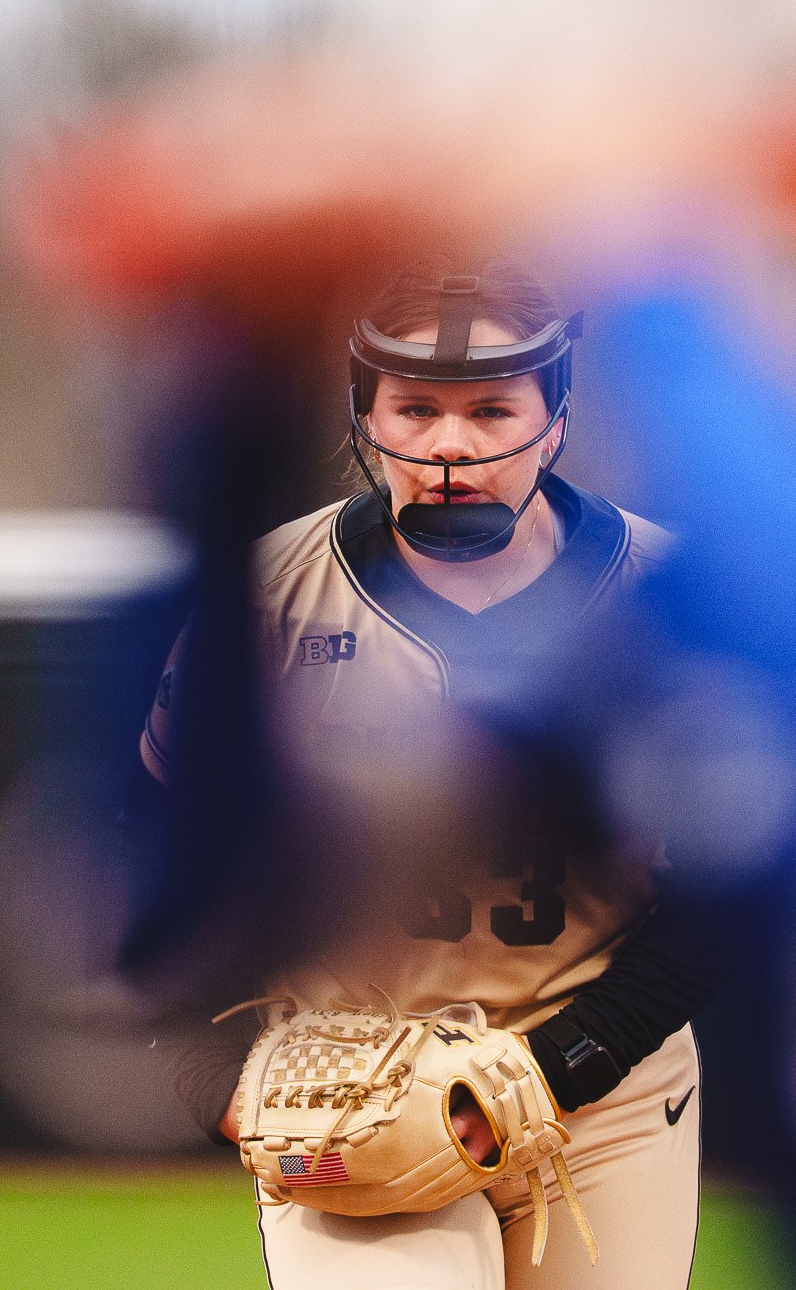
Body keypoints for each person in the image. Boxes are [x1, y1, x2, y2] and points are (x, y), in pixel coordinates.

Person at [133, 254, 720, 1290]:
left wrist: (556, 1066)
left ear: (557, 414)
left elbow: (724, 901)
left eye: (492, 408)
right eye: (415, 408)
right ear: (366, 416)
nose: (450, 446)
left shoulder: (669, 600)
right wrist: (204, 1074)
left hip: (603, 1092)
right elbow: (154, 863)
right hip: (346, 1084)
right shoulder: (269, 598)